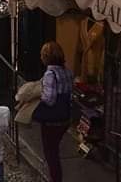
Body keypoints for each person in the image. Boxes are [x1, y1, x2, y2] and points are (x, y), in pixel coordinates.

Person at [33, 41, 73, 182]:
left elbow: (49, 99)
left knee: (51, 153)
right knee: (54, 150)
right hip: (65, 117)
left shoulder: (50, 74)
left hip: (52, 120)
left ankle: (55, 179)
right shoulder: (67, 71)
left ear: (46, 56)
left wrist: (38, 95)